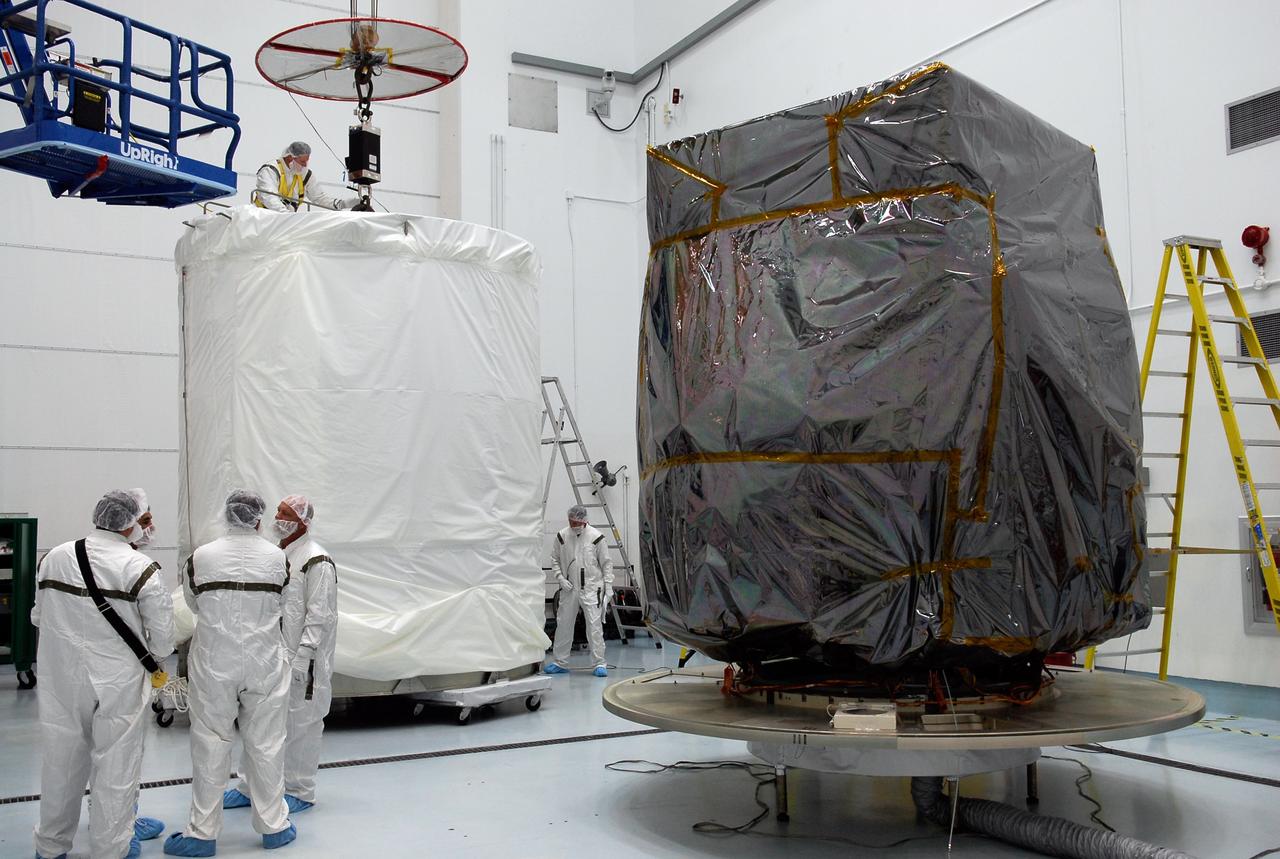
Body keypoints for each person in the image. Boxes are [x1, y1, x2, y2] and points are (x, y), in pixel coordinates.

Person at [33, 490, 175, 859]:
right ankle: (111, 848)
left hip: (60, 676)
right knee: (116, 762)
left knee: (60, 760)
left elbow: (38, 616)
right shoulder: (139, 569)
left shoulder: (54, 557)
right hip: (118, 682)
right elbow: (161, 641)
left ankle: (50, 847)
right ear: (131, 523)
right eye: (145, 519)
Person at [164, 491, 300, 856]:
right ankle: (275, 826)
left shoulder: (201, 557)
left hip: (213, 661)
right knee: (267, 743)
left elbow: (192, 603)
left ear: (226, 516)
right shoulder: (279, 558)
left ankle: (202, 834)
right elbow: (286, 603)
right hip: (265, 661)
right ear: (259, 519)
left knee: (209, 742)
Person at [224, 494, 337, 815]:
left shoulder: (317, 560)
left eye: (286, 513)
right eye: (278, 511)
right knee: (260, 721)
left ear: (304, 521)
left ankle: (300, 789)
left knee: (303, 724)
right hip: (271, 656)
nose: (278, 518)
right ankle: (249, 786)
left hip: (304, 662)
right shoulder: (278, 555)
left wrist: (304, 654)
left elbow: (320, 614)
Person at [544, 504, 614, 678]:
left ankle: (599, 663)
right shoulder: (562, 536)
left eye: (576, 522)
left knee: (594, 627)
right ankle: (560, 661)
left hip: (591, 588)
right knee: (563, 624)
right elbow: (554, 559)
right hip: (569, 588)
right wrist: (560, 577)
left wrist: (609, 587)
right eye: (571, 521)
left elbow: (606, 564)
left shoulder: (596, 537)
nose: (573, 525)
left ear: (584, 521)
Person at [253, 142, 359, 212]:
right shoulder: (271, 170)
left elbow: (319, 198)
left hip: (285, 224)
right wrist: (287, 217)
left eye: (307, 161)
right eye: (302, 161)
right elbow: (269, 197)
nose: (305, 165)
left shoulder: (305, 175)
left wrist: (345, 204)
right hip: (263, 221)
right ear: (290, 158)